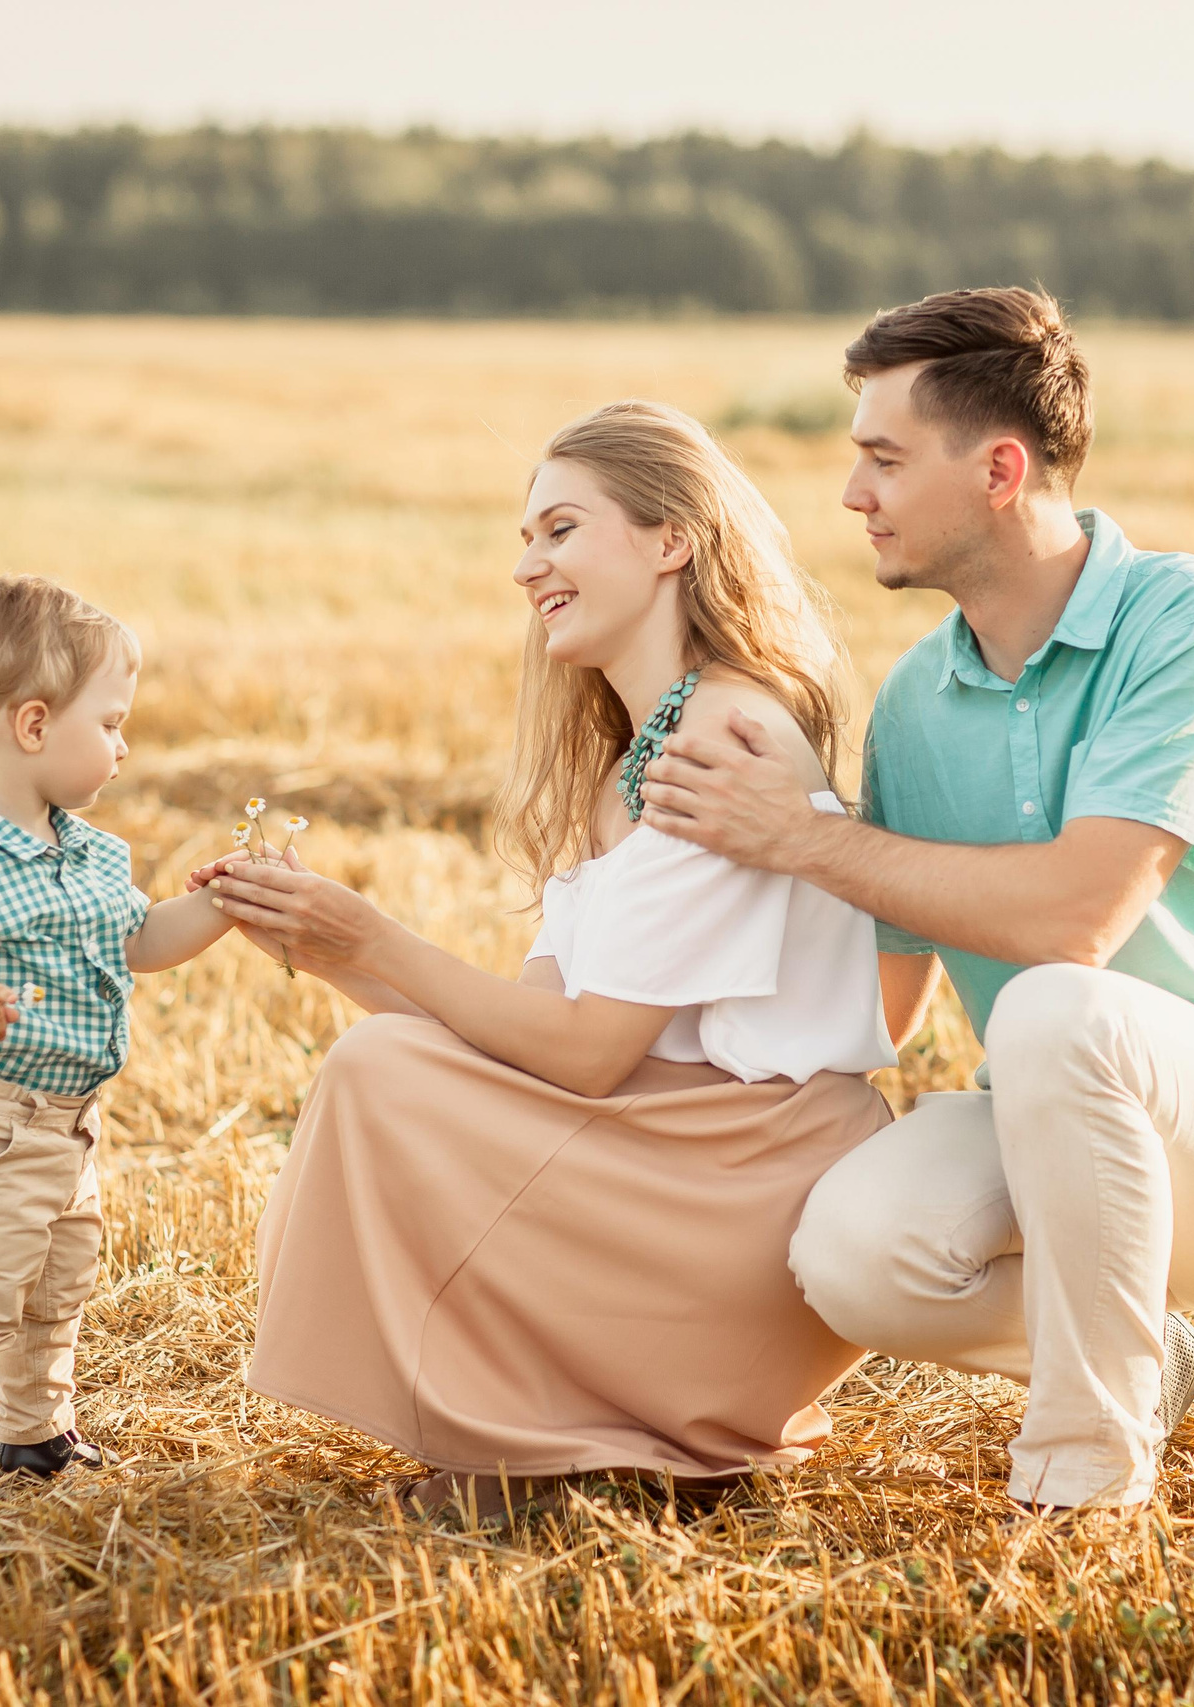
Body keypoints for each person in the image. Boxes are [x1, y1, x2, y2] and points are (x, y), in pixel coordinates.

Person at [639, 288, 1194, 1514]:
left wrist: (804, 841)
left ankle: (1081, 1484)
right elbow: (876, 1004)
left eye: (882, 458)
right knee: (850, 1253)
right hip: (1062, 1129)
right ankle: (1142, 1355)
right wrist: (643, 987)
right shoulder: (915, 706)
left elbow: (1074, 922)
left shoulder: (1191, 618)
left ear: (999, 467)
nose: (853, 495)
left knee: (1053, 1003)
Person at [204, 401, 900, 1523]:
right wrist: (323, 946)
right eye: (526, 541)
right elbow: (529, 1026)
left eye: (559, 531)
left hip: (745, 1188)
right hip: (671, 1164)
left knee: (384, 1076)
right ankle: (547, 1441)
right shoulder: (625, 765)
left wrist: (373, 938)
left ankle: (556, 1436)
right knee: (389, 1065)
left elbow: (582, 1057)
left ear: (672, 540)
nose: (528, 567)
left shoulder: (721, 739)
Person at [0, 576, 240, 1498]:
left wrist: (221, 903)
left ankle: (35, 1433)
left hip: (70, 1124)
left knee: (56, 1287)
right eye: (110, 723)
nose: (124, 744)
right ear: (34, 726)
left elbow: (142, 940)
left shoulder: (92, 854)